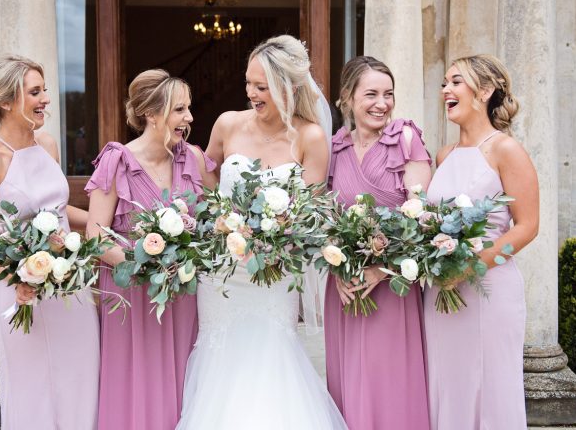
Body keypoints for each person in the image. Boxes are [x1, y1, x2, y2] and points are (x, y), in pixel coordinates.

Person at [176, 35, 347, 429]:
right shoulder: (228, 124)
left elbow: (311, 214)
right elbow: (203, 186)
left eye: (262, 86)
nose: (251, 93)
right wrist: (219, 224)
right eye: (249, 83)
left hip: (272, 273)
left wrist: (271, 241)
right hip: (221, 272)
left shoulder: (311, 137)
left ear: (288, 86)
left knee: (271, 357)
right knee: (220, 357)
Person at [0, 54, 99, 430]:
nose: (45, 100)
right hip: (22, 293)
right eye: (34, 92)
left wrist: (110, 222)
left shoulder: (48, 143)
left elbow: (58, 209)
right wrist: (21, 278)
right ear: (6, 101)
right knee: (32, 388)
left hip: (71, 287)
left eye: (44, 90)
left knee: (81, 378)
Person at [85, 69, 216, 430]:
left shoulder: (192, 159)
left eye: (188, 109)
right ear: (152, 114)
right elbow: (96, 234)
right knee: (135, 379)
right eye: (179, 110)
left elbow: (217, 216)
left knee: (182, 373)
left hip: (179, 291)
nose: (189, 118)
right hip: (130, 291)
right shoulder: (117, 160)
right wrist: (141, 264)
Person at [424, 54, 539, 429]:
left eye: (456, 82)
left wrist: (472, 266)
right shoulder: (444, 155)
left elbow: (526, 227)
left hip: (489, 290)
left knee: (490, 387)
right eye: (444, 82)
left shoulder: (505, 150)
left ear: (485, 91)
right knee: (448, 383)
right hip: (441, 291)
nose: (446, 90)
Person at [325, 56, 432, 429]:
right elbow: (326, 221)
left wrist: (381, 270)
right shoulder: (335, 147)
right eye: (371, 93)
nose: (381, 103)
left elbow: (423, 220)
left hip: (392, 286)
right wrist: (337, 269)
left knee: (390, 382)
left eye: (388, 94)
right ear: (348, 98)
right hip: (345, 287)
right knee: (350, 378)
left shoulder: (405, 138)